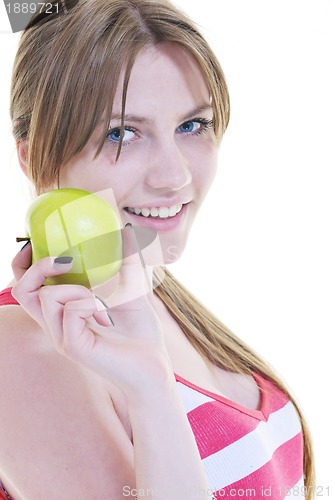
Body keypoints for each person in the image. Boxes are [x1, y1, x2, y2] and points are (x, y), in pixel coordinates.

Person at [0, 0, 314, 498]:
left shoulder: (146, 290)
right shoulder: (20, 349)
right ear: (33, 156)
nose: (176, 177)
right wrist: (150, 392)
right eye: (122, 133)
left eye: (193, 125)